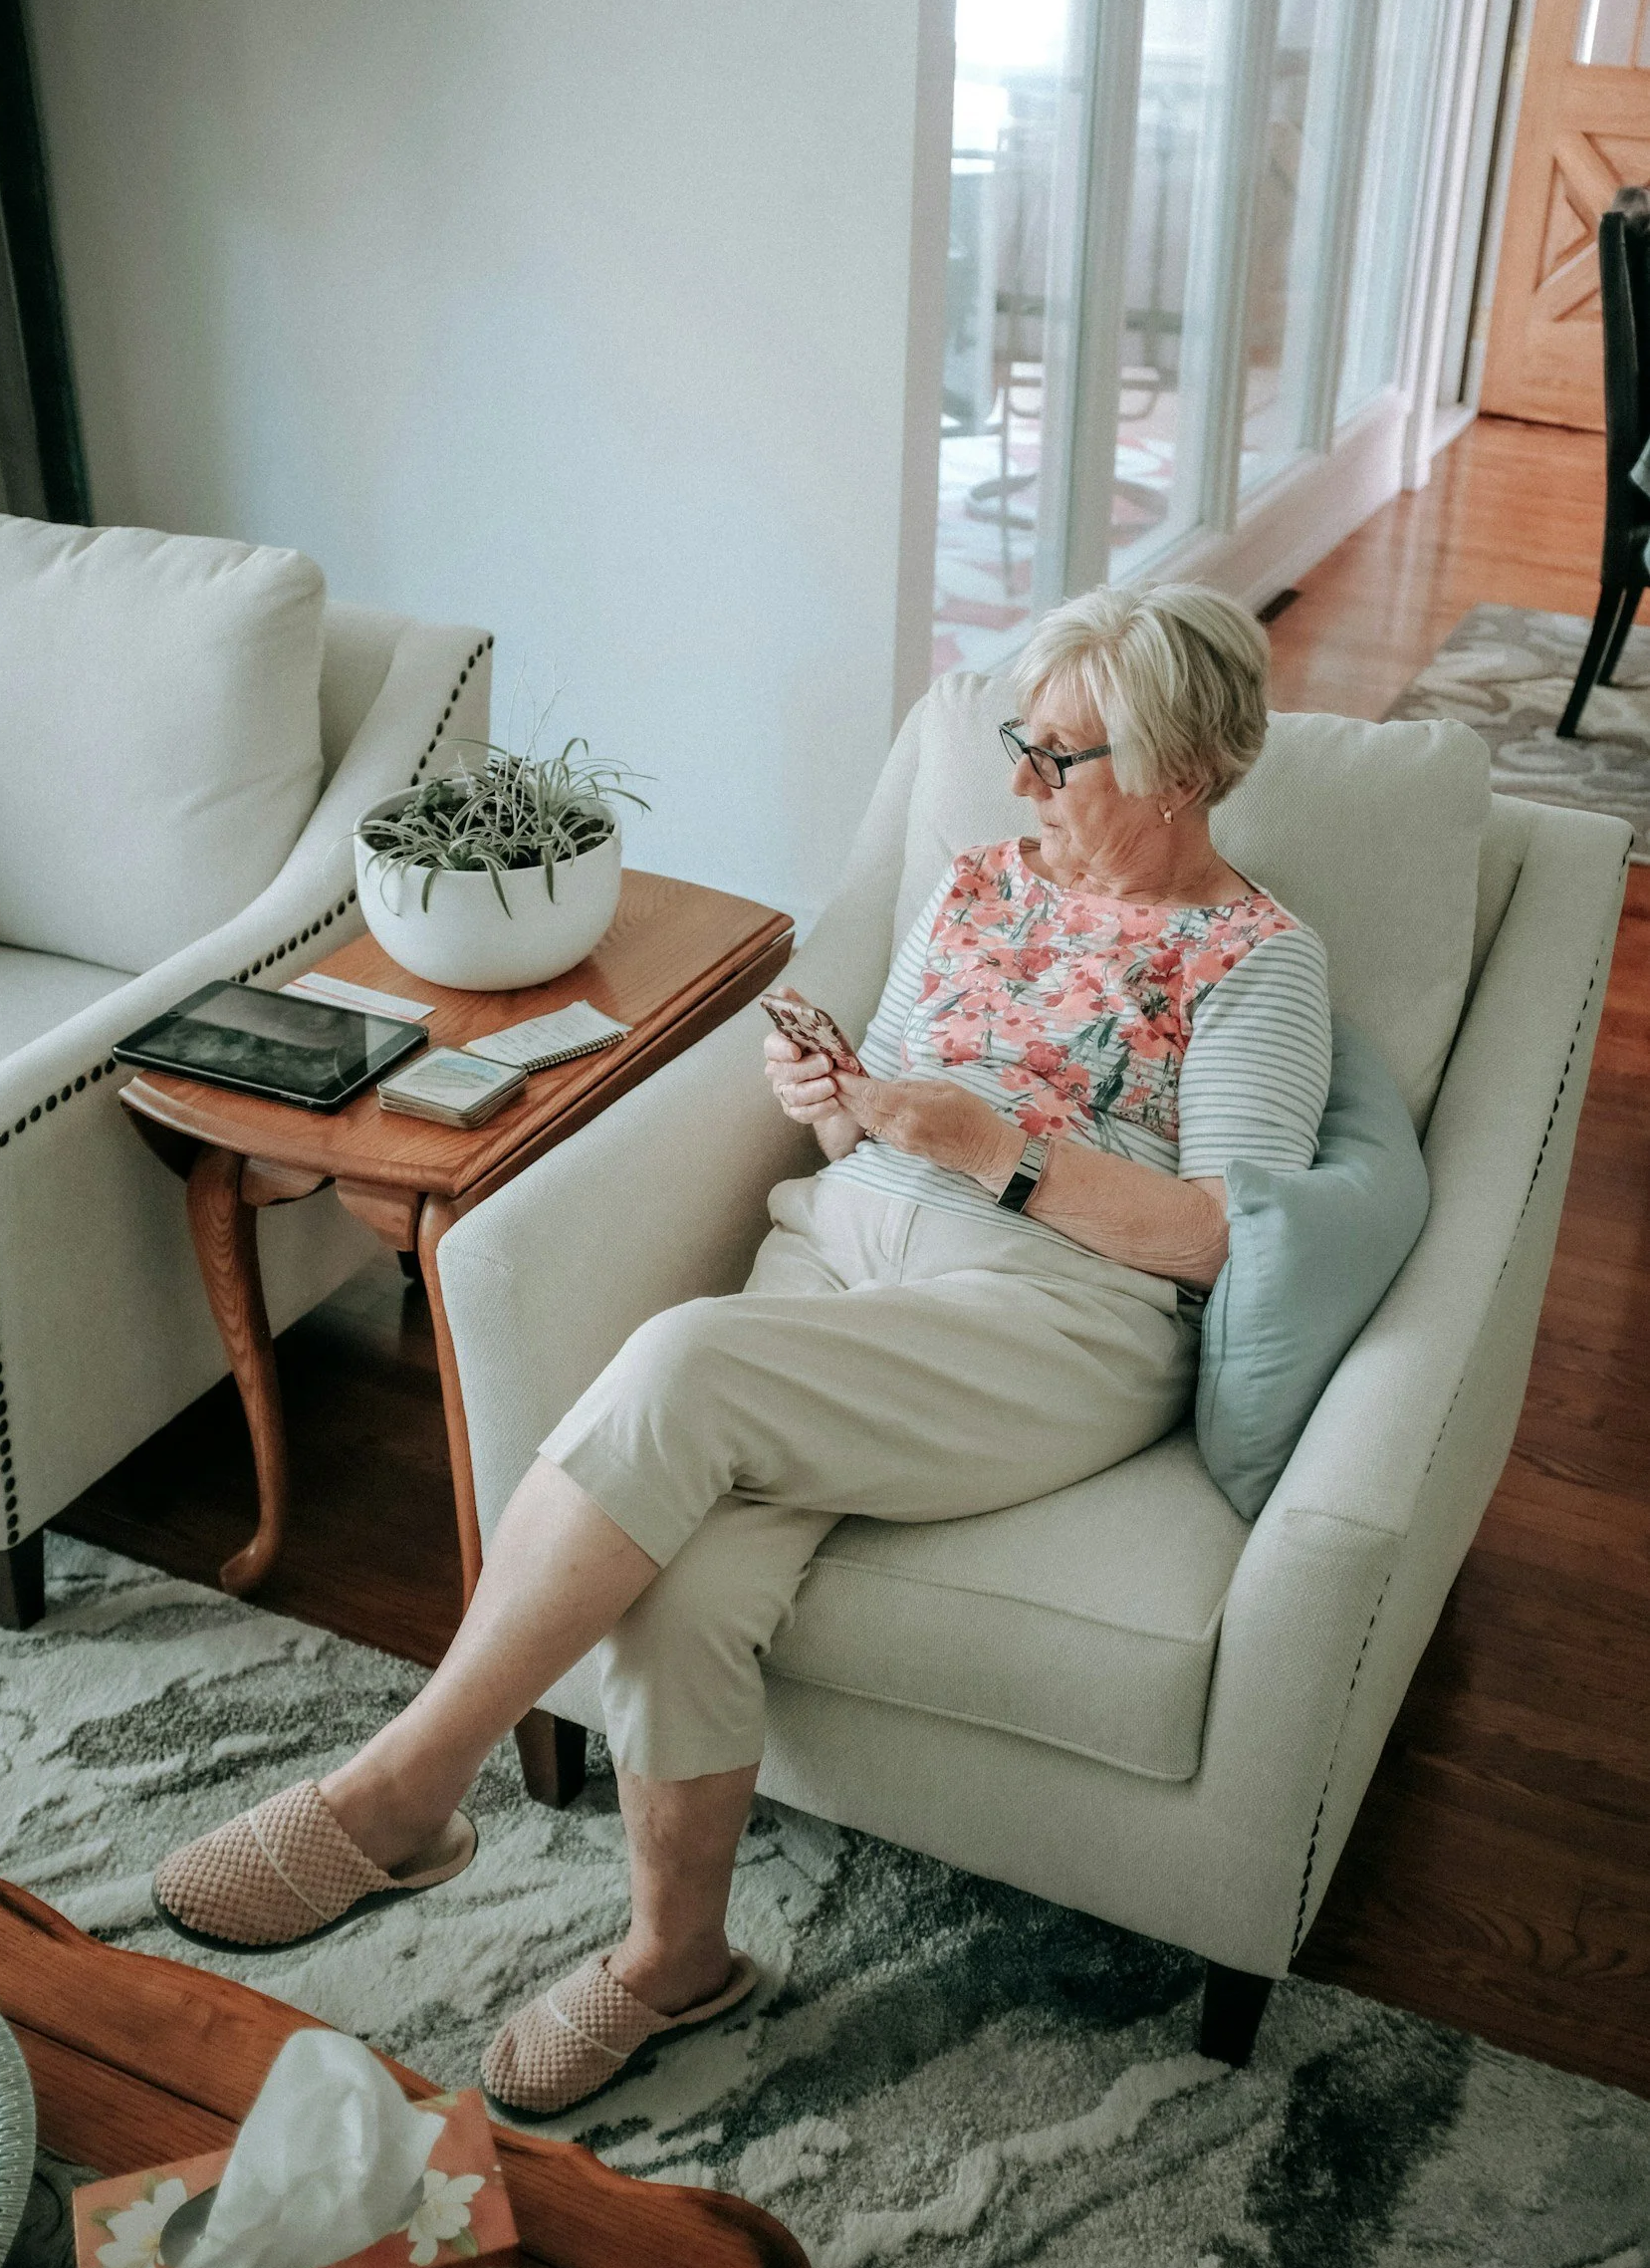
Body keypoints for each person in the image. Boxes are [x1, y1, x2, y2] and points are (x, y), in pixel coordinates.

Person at [154, 582, 1332, 2115]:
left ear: (1178, 772)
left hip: (1047, 1320)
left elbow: (1225, 1241)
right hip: (840, 1248)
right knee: (691, 1579)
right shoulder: (978, 886)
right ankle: (677, 1963)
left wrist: (1002, 1153)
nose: (1020, 784)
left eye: (1062, 759)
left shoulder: (1255, 961)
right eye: (1015, 745)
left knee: (683, 1364)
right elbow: (880, 1105)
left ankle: (404, 1790)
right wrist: (835, 1092)